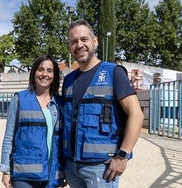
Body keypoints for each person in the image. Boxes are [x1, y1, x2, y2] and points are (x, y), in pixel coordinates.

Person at [62, 19, 144, 188]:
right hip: (71, 167)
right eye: (74, 42)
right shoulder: (68, 80)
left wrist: (122, 156)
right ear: (69, 47)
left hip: (101, 168)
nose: (79, 45)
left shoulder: (113, 72)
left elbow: (136, 114)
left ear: (95, 41)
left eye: (84, 39)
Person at [0, 54, 64, 188]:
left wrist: (64, 171)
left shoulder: (60, 103)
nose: (45, 74)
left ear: (54, 75)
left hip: (53, 173)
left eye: (49, 71)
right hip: (24, 175)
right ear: (34, 72)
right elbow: (9, 137)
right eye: (40, 69)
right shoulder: (19, 99)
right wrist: (6, 171)